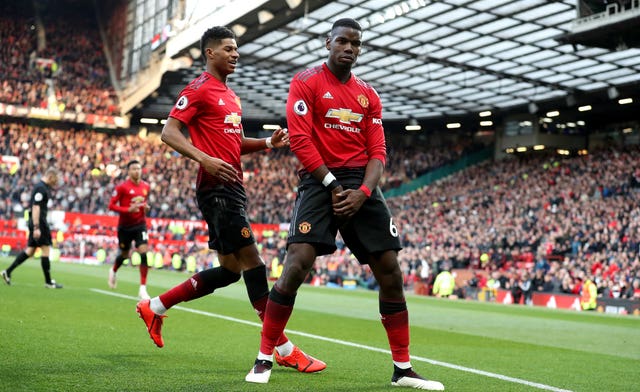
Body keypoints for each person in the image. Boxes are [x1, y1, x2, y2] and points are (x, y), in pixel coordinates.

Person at [245, 18, 444, 390]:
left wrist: (363, 193)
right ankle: (264, 357)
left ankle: (402, 370)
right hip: (319, 179)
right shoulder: (306, 82)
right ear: (328, 43)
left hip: (359, 184)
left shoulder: (369, 94)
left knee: (391, 272)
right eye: (342, 41)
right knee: (296, 266)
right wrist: (333, 184)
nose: (349, 48)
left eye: (355, 43)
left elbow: (378, 152)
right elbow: (301, 142)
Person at [135, 26, 325, 375]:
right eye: (228, 49)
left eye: (236, 49)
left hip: (232, 187)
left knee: (230, 270)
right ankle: (282, 348)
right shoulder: (199, 89)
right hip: (217, 189)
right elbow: (169, 132)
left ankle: (156, 306)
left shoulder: (231, 96)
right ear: (210, 53)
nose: (235, 54)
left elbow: (235, 144)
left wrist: (267, 143)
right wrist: (203, 158)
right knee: (253, 262)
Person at [1, 168, 63, 289]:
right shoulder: (41, 188)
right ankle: (48, 282)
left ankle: (7, 272)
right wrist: (36, 227)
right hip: (38, 222)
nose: (55, 184)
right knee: (46, 249)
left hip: (36, 222)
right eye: (55, 181)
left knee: (30, 251)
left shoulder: (41, 187)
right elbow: (35, 208)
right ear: (50, 177)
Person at [107, 160, 152, 299]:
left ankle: (143, 288)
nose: (137, 171)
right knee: (125, 255)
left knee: (144, 252)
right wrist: (128, 209)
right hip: (125, 227)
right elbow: (111, 206)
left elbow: (144, 204)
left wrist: (146, 209)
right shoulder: (122, 187)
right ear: (128, 171)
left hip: (140, 225)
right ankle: (113, 270)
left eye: (138, 168)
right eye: (133, 169)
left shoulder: (146, 186)